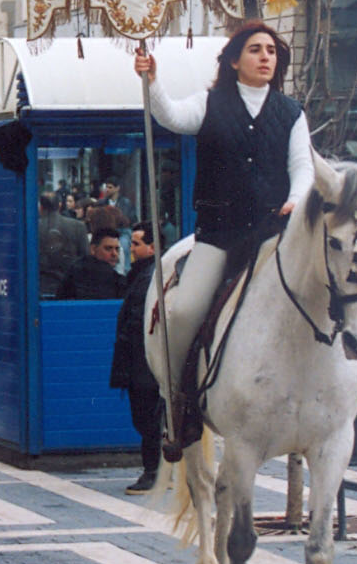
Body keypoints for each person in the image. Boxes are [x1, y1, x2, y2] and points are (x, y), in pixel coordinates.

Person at [133, 21, 313, 396]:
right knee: (183, 313)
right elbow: (173, 117)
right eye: (255, 49)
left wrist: (296, 198)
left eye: (271, 51)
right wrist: (152, 82)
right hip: (220, 235)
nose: (265, 57)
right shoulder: (209, 102)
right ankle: (177, 393)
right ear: (233, 60)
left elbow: (303, 166)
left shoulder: (292, 112)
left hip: (273, 235)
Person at [110, 222, 162, 494]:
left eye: (138, 244)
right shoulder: (141, 274)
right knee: (146, 418)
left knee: (147, 418)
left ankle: (154, 471)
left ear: (152, 248)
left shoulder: (152, 275)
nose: (132, 248)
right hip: (137, 360)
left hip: (143, 362)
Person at [38, 190, 88, 294]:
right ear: (59, 206)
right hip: (71, 288)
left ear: (41, 207)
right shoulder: (78, 227)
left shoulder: (32, 228)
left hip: (39, 287)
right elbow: (85, 258)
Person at [59, 227, 126, 300]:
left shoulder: (73, 271)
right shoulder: (76, 275)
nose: (114, 254)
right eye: (108, 248)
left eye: (117, 249)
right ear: (93, 249)